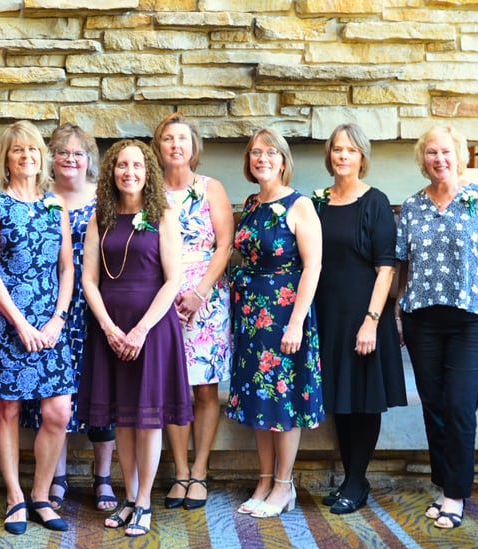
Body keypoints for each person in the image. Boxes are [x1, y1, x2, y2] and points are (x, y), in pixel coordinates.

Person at [396, 125, 478, 529]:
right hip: (421, 319)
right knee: (435, 405)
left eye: (446, 152)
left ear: (459, 156)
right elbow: (403, 266)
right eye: (431, 153)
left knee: (460, 404)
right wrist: (397, 312)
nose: (439, 159)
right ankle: (447, 483)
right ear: (422, 159)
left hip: (473, 319)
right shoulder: (411, 206)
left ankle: (455, 494)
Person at [78, 139, 193, 537]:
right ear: (111, 171)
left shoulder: (162, 215)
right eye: (122, 165)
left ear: (149, 173)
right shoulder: (100, 217)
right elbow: (88, 279)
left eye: (138, 166)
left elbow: (173, 278)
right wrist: (110, 328)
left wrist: (141, 329)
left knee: (147, 419)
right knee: (121, 417)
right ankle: (128, 496)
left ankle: (144, 500)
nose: (129, 172)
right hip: (109, 327)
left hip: (152, 328)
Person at [0, 120, 75, 535]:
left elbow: (67, 268)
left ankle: (41, 495)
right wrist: (21, 324)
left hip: (51, 326)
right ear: (6, 158)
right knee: (8, 408)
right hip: (6, 323)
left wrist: (57, 320)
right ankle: (15, 496)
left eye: (33, 150)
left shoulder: (55, 205)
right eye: (18, 151)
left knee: (58, 411)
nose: (27, 157)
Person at [19, 123, 118, 512]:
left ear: (89, 159)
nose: (70, 159)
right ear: (51, 158)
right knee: (53, 395)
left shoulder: (104, 199)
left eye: (78, 153)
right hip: (51, 309)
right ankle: (55, 476)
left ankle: (104, 477)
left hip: (97, 305)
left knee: (100, 388)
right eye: (62, 153)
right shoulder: (40, 199)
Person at [227, 128, 324, 518]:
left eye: (270, 153)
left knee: (283, 398)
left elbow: (313, 266)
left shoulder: (300, 205)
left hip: (285, 313)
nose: (261, 158)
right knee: (259, 398)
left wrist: (296, 322)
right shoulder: (250, 203)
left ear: (283, 160)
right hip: (251, 316)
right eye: (255, 153)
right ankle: (264, 479)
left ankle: (285, 486)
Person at [313, 123, 406, 515]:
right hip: (327, 315)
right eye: (337, 149)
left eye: (350, 150)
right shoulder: (317, 202)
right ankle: (355, 478)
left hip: (366, 316)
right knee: (339, 399)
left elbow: (387, 268)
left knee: (364, 400)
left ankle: (355, 481)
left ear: (362, 157)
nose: (343, 156)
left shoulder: (376, 202)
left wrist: (371, 320)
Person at [151, 112, 233, 510]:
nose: (175, 145)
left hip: (206, 301)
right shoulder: (149, 191)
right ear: (159, 146)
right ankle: (179, 473)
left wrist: (199, 293)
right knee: (171, 389)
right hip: (161, 301)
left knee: (203, 388)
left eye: (182, 139)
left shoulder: (210, 188)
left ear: (193, 146)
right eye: (168, 139)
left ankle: (200, 471)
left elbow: (224, 246)